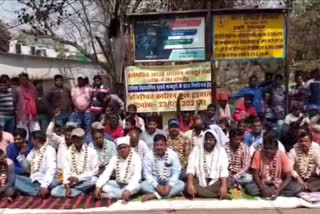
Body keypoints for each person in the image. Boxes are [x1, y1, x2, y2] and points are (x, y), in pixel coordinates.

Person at [245, 131, 302, 199]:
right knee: (250, 188)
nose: (268, 151)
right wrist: (263, 188)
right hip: (262, 182)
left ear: (276, 149)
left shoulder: (282, 155)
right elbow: (255, 175)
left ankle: (273, 193)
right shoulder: (258, 154)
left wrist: (279, 189)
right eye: (266, 148)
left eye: (271, 148)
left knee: (296, 187)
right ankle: (270, 192)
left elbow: (288, 176)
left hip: (278, 183)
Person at [51, 128, 99, 198]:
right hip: (72, 182)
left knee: (94, 180)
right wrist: (67, 186)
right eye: (74, 138)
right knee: (54, 192)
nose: (77, 140)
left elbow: (95, 171)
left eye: (79, 138)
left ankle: (76, 192)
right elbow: (66, 171)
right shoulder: (67, 153)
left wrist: (79, 178)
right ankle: (81, 192)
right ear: (72, 139)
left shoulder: (92, 152)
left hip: (86, 180)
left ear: (83, 138)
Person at [95, 136, 142, 201]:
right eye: (120, 148)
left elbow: (137, 176)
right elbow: (106, 173)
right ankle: (121, 195)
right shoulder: (115, 158)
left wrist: (128, 189)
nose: (122, 150)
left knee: (138, 187)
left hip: (131, 184)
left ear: (129, 148)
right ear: (117, 150)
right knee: (103, 185)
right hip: (118, 184)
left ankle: (111, 195)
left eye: (124, 147)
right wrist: (98, 187)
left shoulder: (136, 157)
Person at [186, 130, 229, 199]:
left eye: (211, 140)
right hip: (200, 180)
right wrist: (190, 184)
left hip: (215, 181)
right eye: (206, 139)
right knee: (188, 183)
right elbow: (191, 168)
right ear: (203, 139)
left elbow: (223, 169)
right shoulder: (197, 150)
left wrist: (223, 186)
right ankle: (216, 194)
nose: (208, 141)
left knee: (228, 181)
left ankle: (201, 193)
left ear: (215, 140)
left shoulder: (221, 151)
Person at [141, 134, 184, 201]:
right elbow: (147, 174)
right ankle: (166, 194)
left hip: (168, 179)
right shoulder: (148, 156)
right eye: (156, 145)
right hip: (155, 180)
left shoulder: (173, 154)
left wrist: (169, 185)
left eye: (161, 145)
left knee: (181, 184)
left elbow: (176, 172)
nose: (159, 147)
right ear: (153, 145)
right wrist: (156, 186)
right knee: (143, 185)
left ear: (166, 145)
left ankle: (155, 195)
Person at [15, 131, 56, 198]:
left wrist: (44, 185)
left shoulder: (49, 150)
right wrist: (22, 155)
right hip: (33, 179)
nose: (30, 141)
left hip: (45, 180)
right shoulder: (33, 151)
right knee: (13, 177)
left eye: (31, 139)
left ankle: (35, 191)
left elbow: (51, 169)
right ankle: (36, 192)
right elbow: (26, 168)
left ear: (37, 140)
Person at [46, 110, 75, 175]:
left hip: (71, 175)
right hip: (59, 174)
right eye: (66, 135)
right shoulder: (61, 140)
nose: (67, 137)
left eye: (69, 136)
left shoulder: (77, 145)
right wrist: (54, 118)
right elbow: (48, 133)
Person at [15, 73, 40, 137]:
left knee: (36, 132)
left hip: (33, 114)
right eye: (22, 79)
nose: (24, 81)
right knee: (23, 134)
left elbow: (36, 99)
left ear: (28, 79)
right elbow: (14, 101)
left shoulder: (33, 89)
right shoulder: (17, 90)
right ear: (19, 80)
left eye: (25, 79)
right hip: (21, 114)